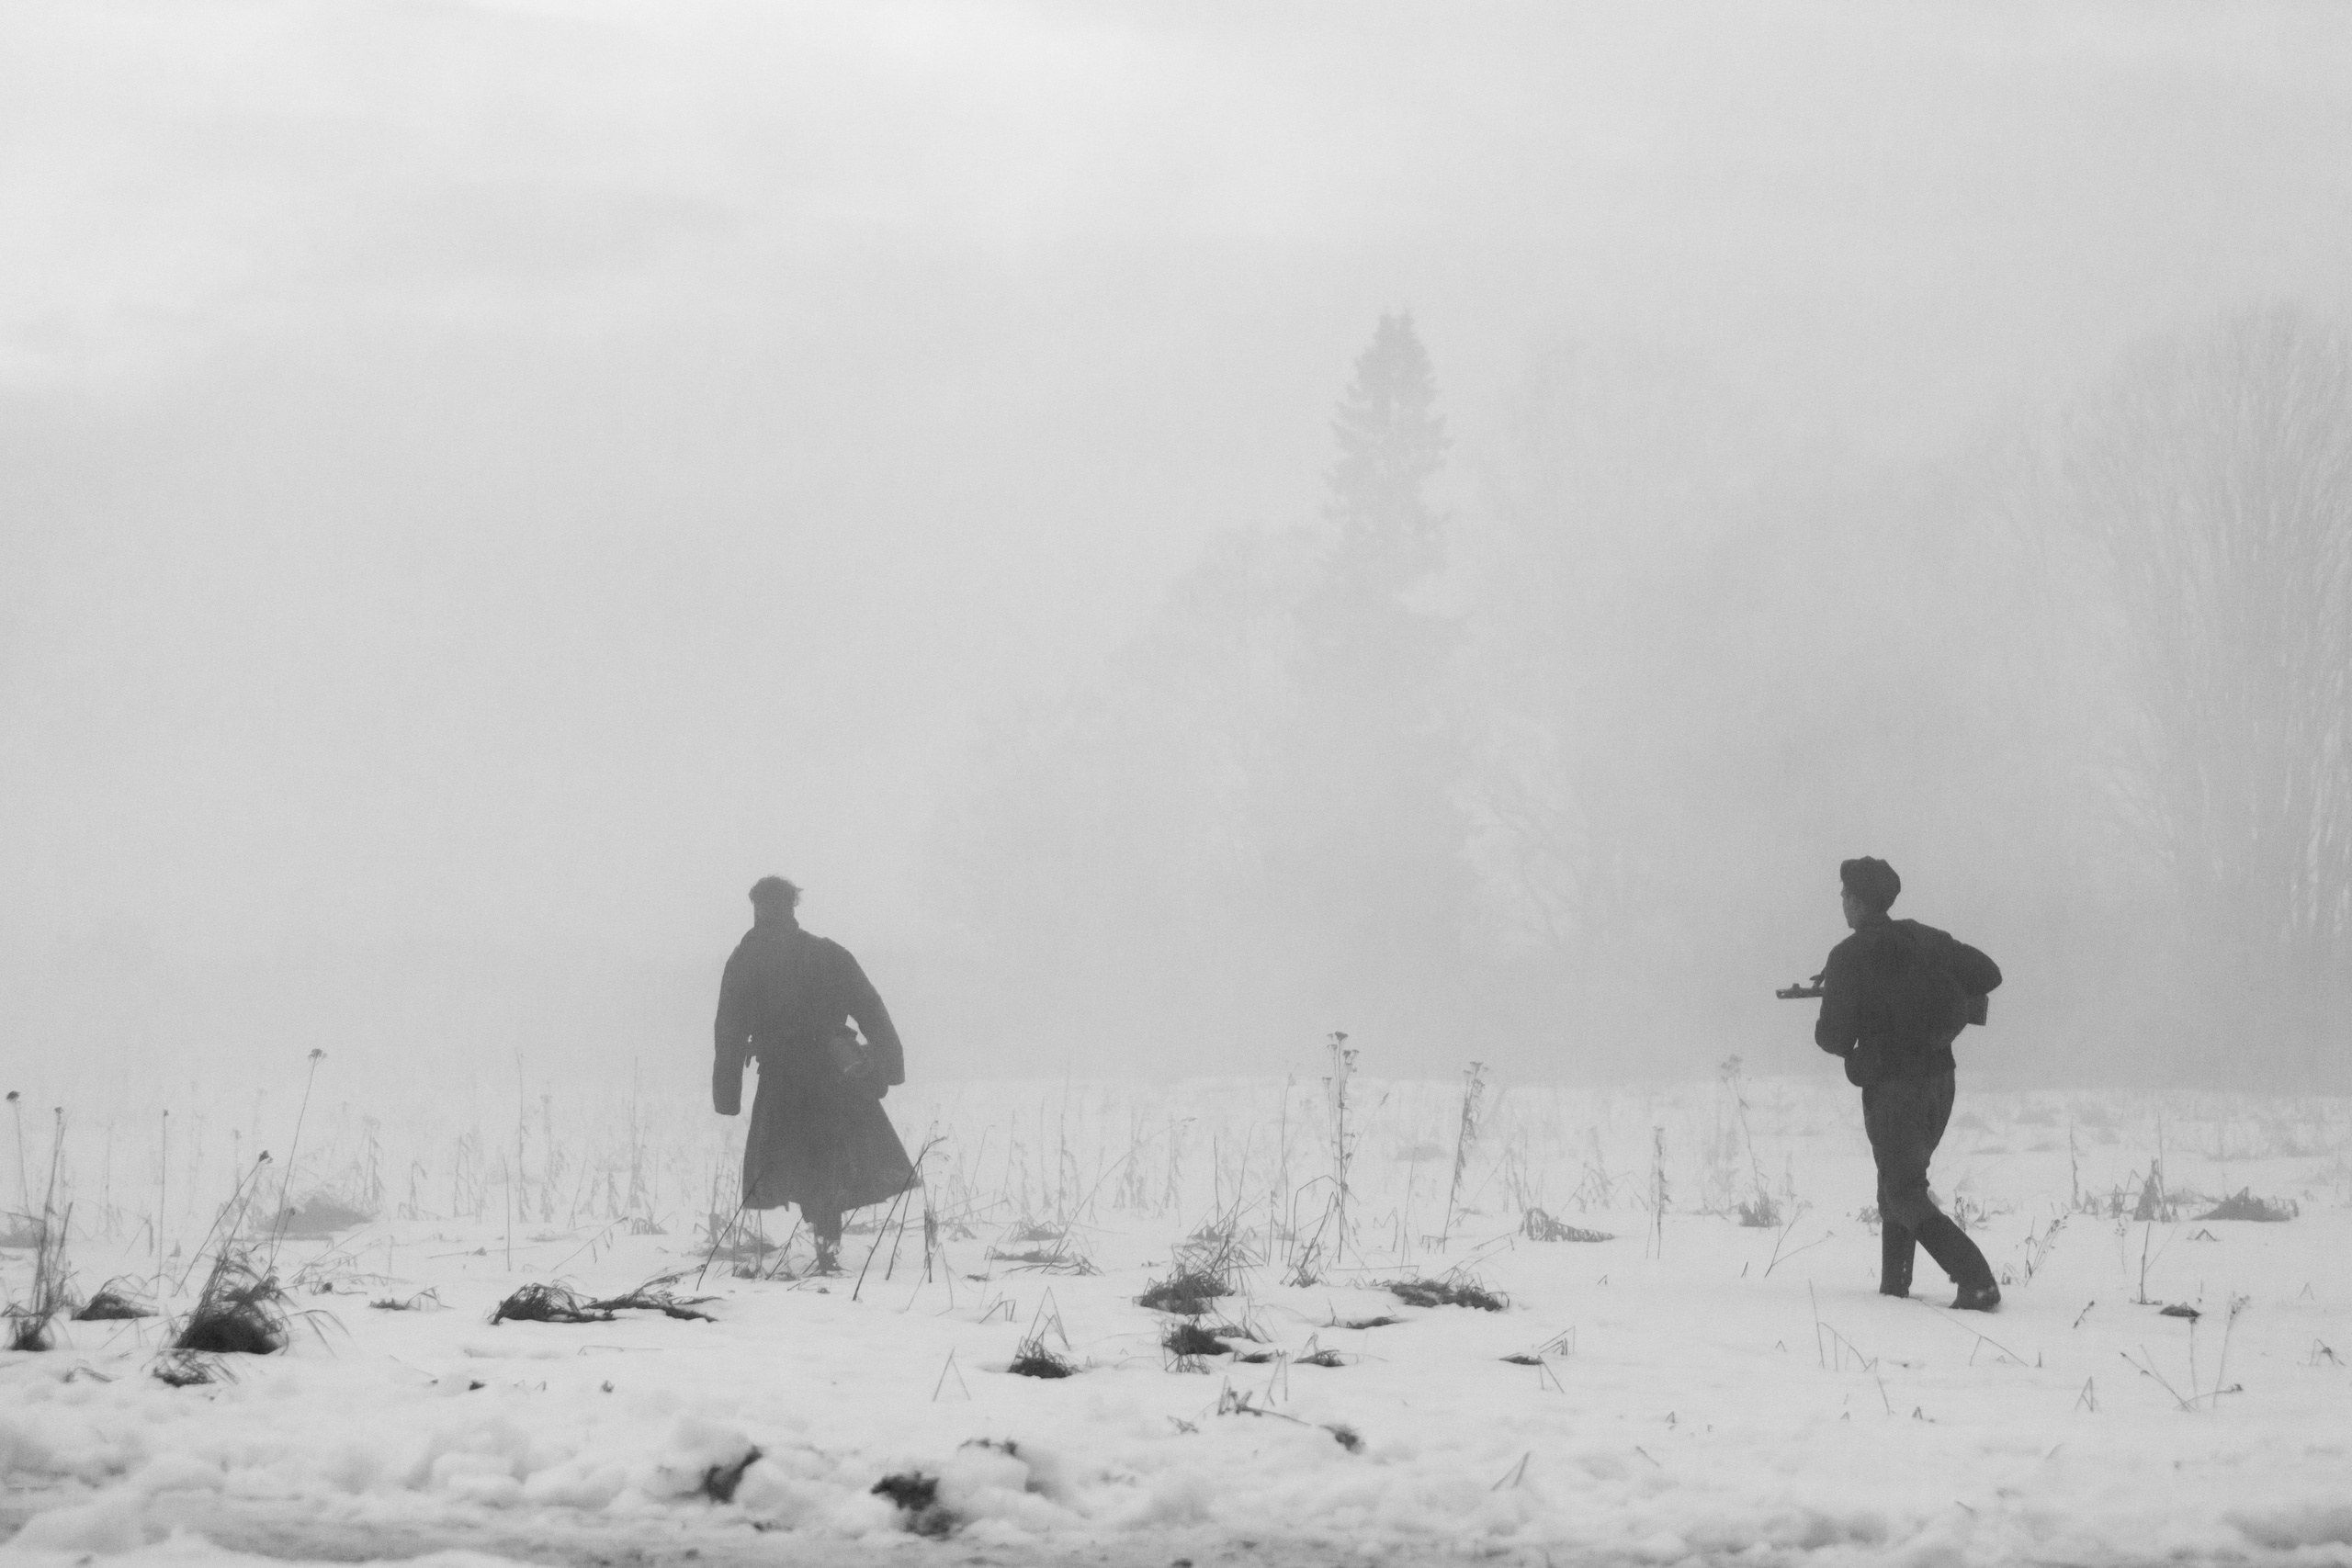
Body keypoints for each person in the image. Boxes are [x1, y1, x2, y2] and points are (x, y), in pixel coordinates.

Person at [1813, 857, 2005, 1311]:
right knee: (1897, 1186)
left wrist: (1848, 993)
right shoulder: (1924, 938)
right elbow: (1988, 974)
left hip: (1895, 1089)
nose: (1841, 901)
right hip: (1939, 1082)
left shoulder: (1849, 956)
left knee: (1902, 1191)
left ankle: (1977, 1281)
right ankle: (1894, 1288)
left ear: (1859, 902)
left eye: (1845, 894)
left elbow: (1833, 1038)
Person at [712, 875, 913, 1272]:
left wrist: (727, 1094)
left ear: (757, 907)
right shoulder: (828, 954)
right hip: (833, 1076)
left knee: (805, 1164)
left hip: (784, 1079)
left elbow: (729, 1031)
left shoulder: (746, 960)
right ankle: (826, 1245)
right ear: (793, 907)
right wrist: (891, 1065)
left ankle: (825, 1245)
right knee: (824, 1161)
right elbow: (872, 1009)